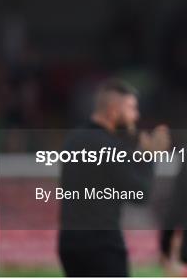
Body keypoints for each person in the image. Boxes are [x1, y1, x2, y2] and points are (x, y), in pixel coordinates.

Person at [58, 79, 170, 276]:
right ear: (113, 111)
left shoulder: (72, 139)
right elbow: (139, 195)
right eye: (131, 109)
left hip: (69, 244)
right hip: (102, 246)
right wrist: (150, 157)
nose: (136, 116)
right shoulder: (110, 147)